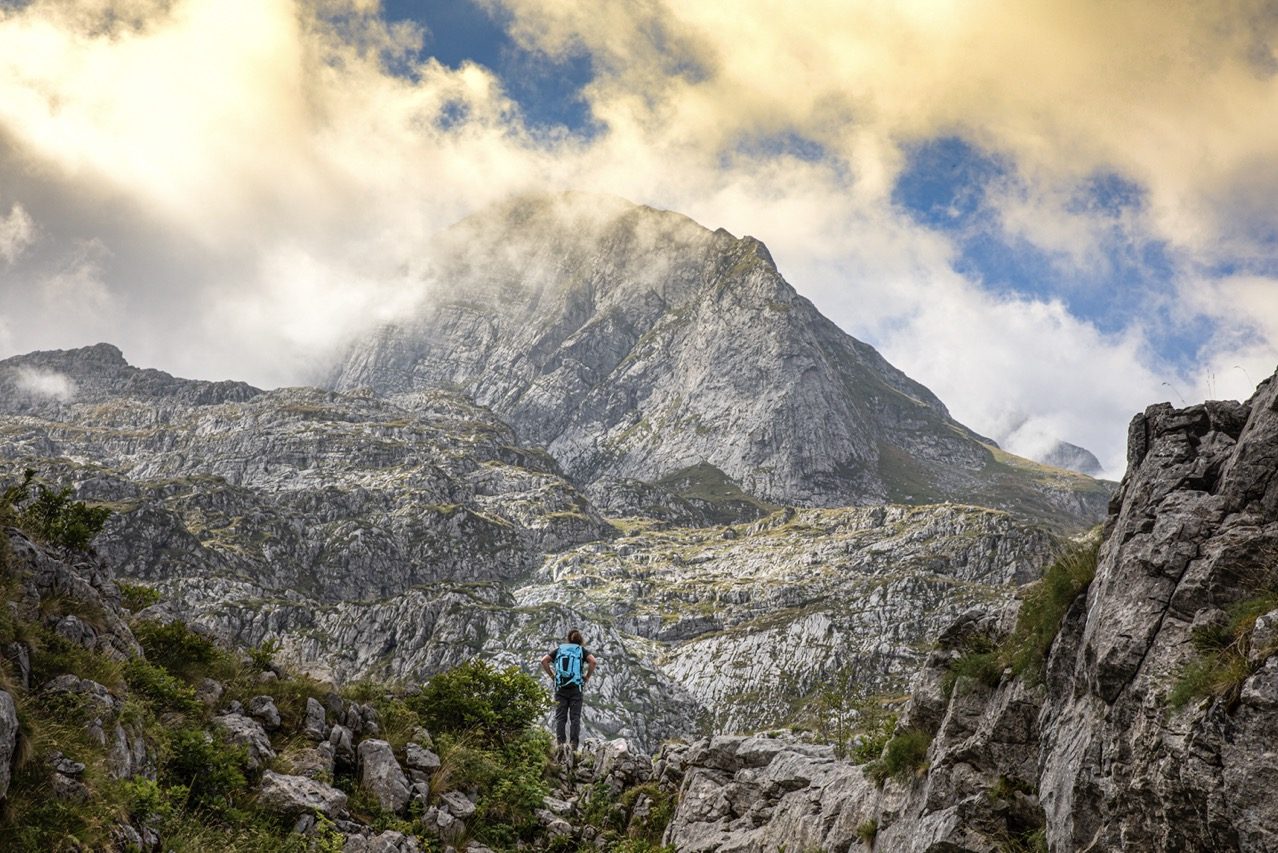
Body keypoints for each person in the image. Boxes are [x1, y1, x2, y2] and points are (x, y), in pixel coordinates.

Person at [540, 629, 597, 755]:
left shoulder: (560, 649)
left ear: (569, 639)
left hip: (560, 688)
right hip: (576, 688)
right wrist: (587, 677)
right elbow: (593, 662)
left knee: (561, 718)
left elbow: (544, 661)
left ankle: (561, 746)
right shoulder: (581, 650)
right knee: (575, 718)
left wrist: (552, 676)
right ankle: (573, 746)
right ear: (580, 640)